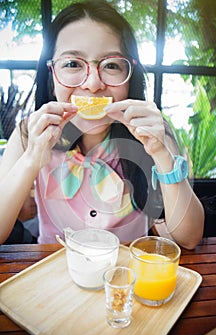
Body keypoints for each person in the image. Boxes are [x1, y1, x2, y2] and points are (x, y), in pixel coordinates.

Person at [0, 0, 204, 248]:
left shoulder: (152, 132)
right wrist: (32, 159)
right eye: (73, 64)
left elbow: (189, 238)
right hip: (51, 276)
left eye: (111, 65)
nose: (93, 84)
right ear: (51, 76)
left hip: (127, 279)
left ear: (130, 77)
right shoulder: (27, 134)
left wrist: (161, 154)